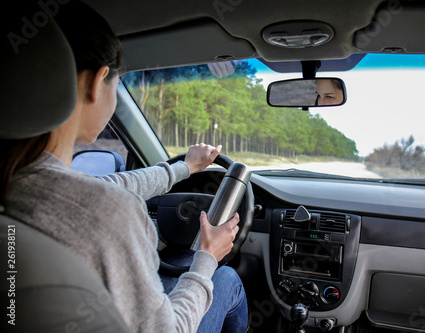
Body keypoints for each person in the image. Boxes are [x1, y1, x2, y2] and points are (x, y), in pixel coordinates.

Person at [0, 1, 247, 332]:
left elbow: (107, 186)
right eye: (117, 84)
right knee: (226, 277)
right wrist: (207, 256)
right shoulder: (111, 215)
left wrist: (184, 168)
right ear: (98, 81)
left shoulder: (18, 181)